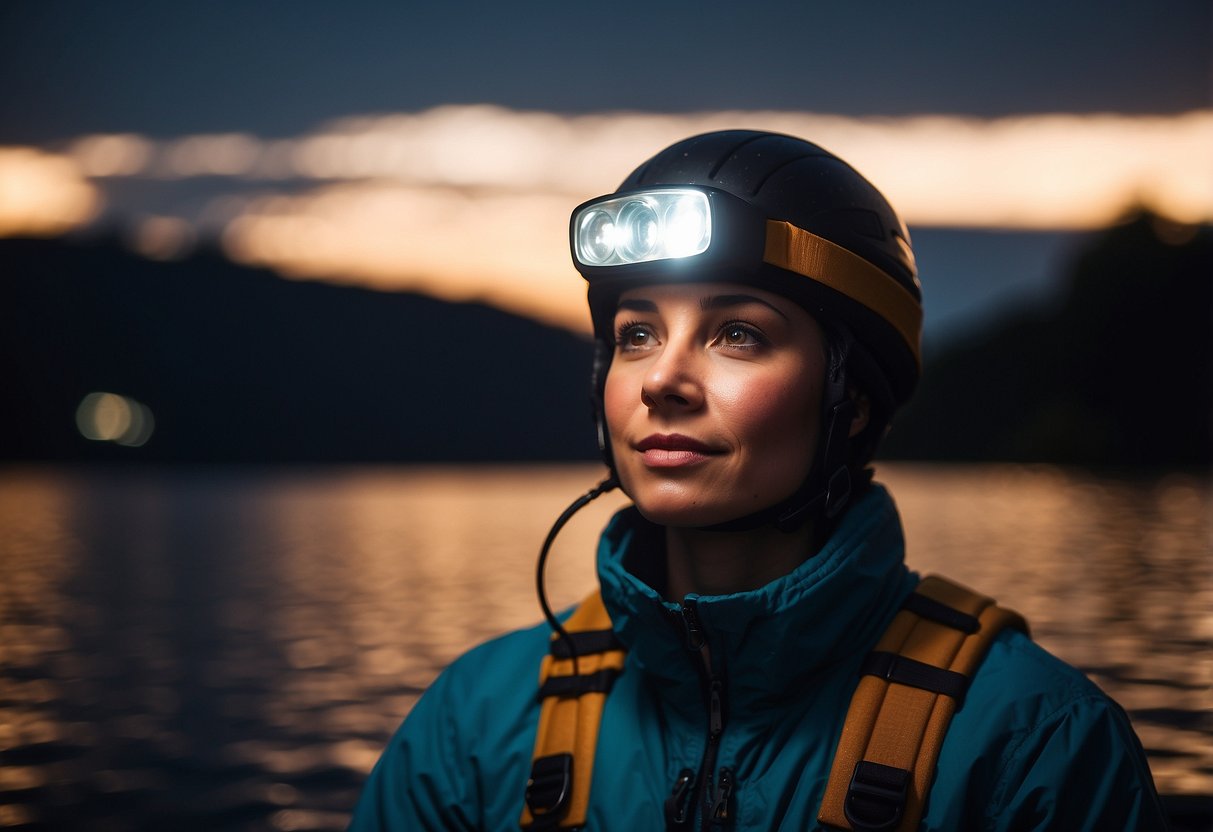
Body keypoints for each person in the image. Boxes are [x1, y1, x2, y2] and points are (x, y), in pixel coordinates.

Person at [349, 130, 1166, 830]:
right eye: (636, 333)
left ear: (849, 401)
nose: (661, 380)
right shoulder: (475, 723)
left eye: (737, 333)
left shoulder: (1032, 741)